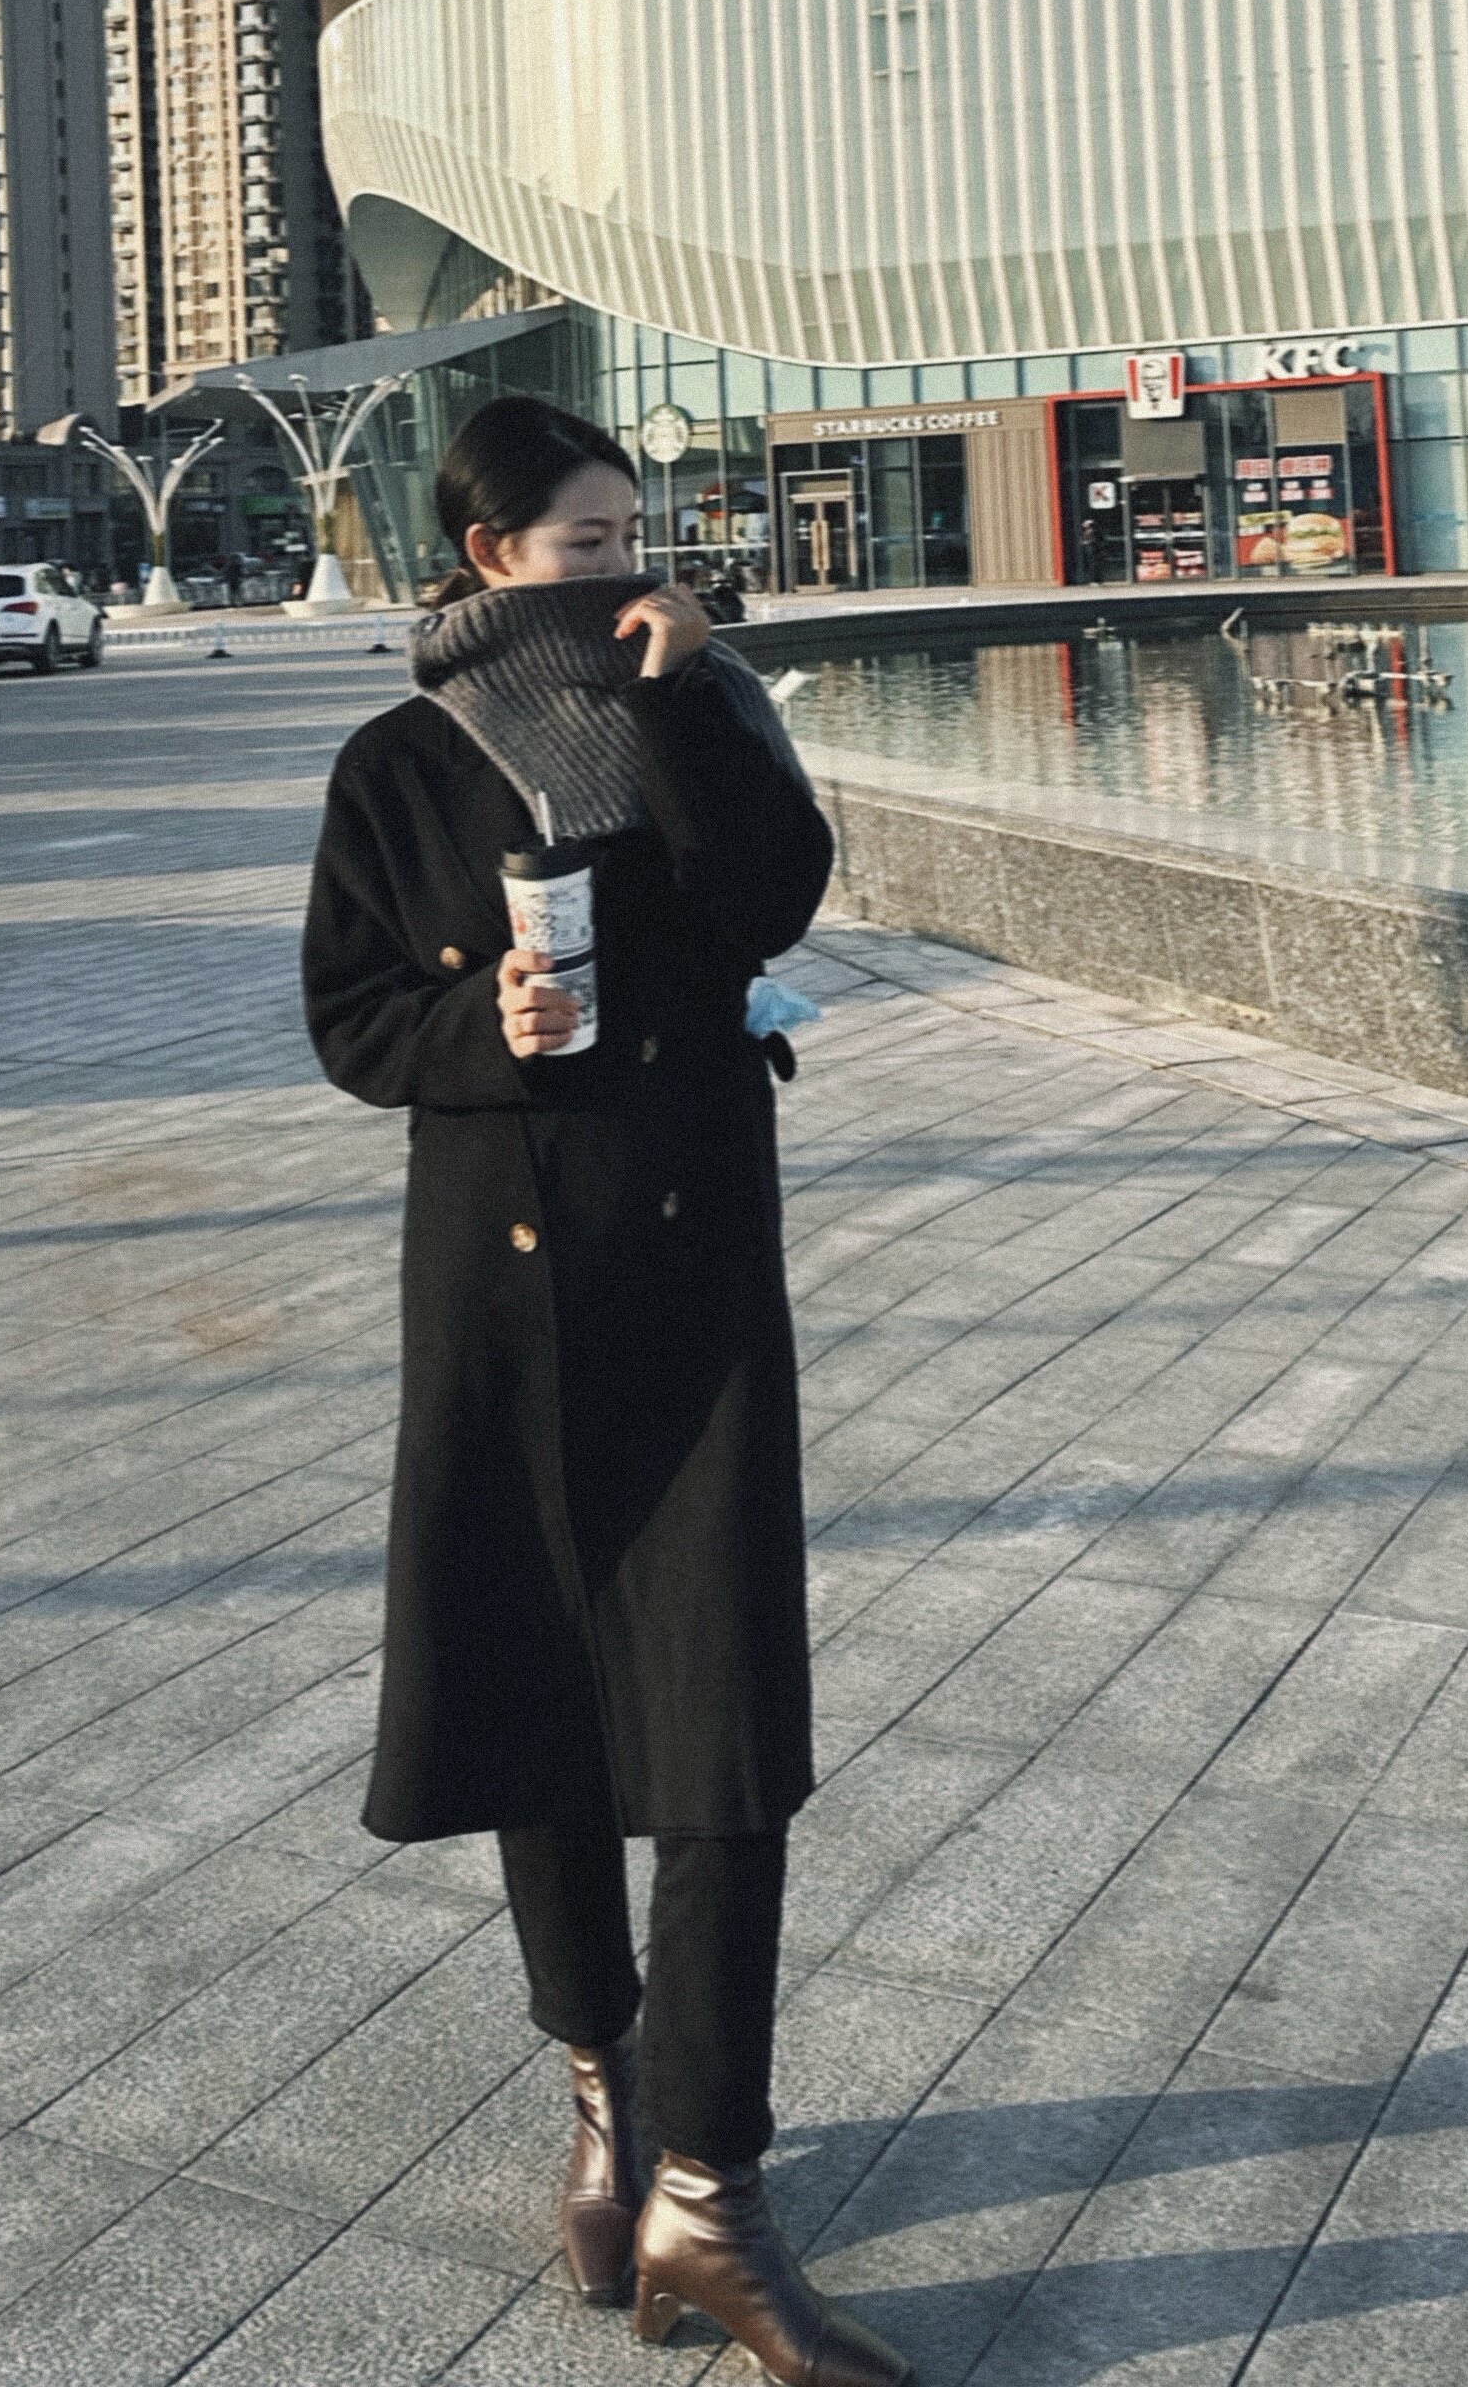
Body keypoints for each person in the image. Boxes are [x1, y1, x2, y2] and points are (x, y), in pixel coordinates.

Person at [302, 398, 911, 2387]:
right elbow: (348, 1020)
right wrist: (479, 1022)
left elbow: (771, 900)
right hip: (503, 1288)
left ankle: (713, 2203)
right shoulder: (398, 763)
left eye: (634, 534)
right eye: (584, 542)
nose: (624, 569)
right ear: (491, 555)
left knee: (724, 1726)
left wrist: (683, 698)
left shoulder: (699, 708)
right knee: (543, 1706)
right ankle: (606, 2099)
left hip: (693, 1270)